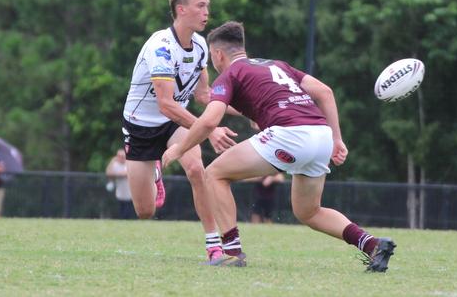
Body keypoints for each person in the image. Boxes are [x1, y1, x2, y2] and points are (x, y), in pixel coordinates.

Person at [163, 21, 395, 271]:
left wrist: (179, 148)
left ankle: (231, 252)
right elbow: (325, 92)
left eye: (212, 57)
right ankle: (371, 244)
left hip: (289, 135)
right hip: (321, 135)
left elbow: (209, 121)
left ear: (218, 54)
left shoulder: (230, 74)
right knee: (309, 212)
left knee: (214, 175)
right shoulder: (277, 65)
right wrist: (337, 139)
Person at [121, 0, 238, 261]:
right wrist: (208, 130)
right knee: (145, 212)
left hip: (175, 124)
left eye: (207, 5)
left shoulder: (199, 47)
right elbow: (166, 104)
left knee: (198, 170)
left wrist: (252, 112)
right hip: (141, 127)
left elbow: (205, 95)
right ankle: (156, 171)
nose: (207, 11)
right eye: (201, 6)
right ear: (181, 9)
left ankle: (214, 246)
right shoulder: (160, 47)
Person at [105, 149, 141, 219]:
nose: (122, 158)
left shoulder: (129, 163)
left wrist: (115, 174)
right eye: (119, 156)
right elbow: (108, 173)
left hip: (131, 195)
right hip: (120, 194)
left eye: (123, 156)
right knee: (122, 215)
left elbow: (126, 174)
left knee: (129, 215)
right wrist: (112, 160)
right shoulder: (115, 165)